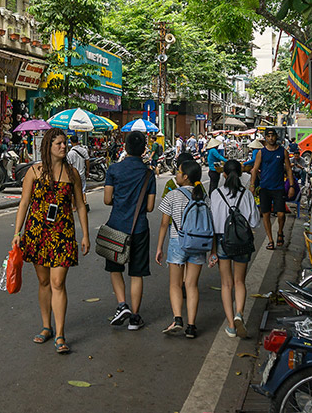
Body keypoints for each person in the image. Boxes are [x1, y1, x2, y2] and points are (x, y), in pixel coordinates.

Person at [11, 128, 91, 354]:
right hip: (37, 233)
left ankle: (60, 334)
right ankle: (46, 327)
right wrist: (17, 233)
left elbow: (81, 205)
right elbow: (24, 203)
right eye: (59, 143)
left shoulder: (72, 173)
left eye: (65, 143)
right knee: (44, 282)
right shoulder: (34, 172)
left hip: (63, 234)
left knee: (58, 283)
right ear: (48, 147)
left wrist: (85, 234)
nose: (64, 147)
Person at [102, 131, 157, 331]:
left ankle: (121, 304)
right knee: (136, 273)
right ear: (144, 150)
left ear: (125, 147)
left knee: (115, 269)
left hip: (116, 226)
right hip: (139, 228)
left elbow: (107, 200)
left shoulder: (114, 170)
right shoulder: (148, 173)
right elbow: (149, 207)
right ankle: (134, 317)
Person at [155, 159, 208, 338]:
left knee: (175, 285)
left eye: (178, 171)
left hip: (178, 242)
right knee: (192, 285)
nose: (176, 174)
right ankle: (191, 326)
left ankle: (178, 319)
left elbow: (164, 224)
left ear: (185, 177)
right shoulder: (202, 195)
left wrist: (159, 247)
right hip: (198, 243)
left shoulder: (172, 195)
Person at [209, 160, 258, 337]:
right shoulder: (247, 195)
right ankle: (239, 314)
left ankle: (230, 325)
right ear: (240, 173)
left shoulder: (216, 194)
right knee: (239, 282)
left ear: (224, 174)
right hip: (242, 241)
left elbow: (213, 225)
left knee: (226, 284)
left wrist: (213, 250)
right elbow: (254, 222)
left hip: (223, 240)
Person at [244, 129, 294, 249]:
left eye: (273, 136)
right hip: (264, 188)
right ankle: (270, 240)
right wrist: (252, 185)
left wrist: (291, 186)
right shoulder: (262, 152)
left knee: (281, 214)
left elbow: (288, 169)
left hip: (279, 187)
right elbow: (255, 169)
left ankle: (280, 232)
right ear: (265, 138)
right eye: (268, 136)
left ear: (276, 137)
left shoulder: (283, 152)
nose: (271, 138)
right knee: (265, 214)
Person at [66, 135, 90, 199]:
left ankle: (74, 207)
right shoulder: (84, 150)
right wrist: (87, 170)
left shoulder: (70, 153)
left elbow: (69, 165)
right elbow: (87, 161)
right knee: (83, 190)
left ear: (71, 142)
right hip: (82, 173)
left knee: (74, 191)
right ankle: (85, 202)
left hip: (74, 174)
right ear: (78, 141)